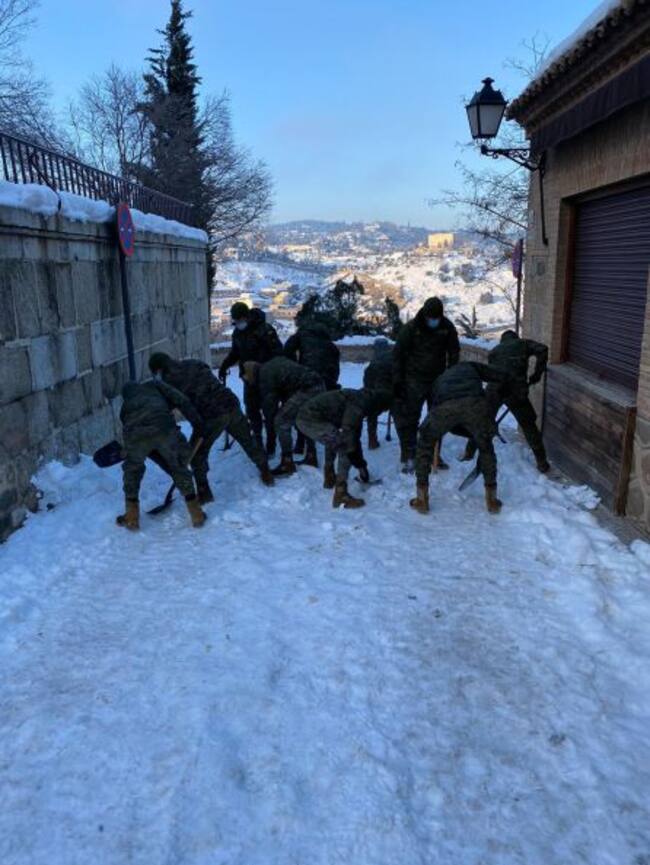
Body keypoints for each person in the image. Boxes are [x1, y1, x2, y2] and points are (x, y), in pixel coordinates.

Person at [148, 352, 274, 504]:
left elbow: (172, 405)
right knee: (247, 440)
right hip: (230, 404)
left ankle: (204, 491)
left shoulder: (169, 382)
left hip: (211, 416)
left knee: (197, 455)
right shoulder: (193, 362)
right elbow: (206, 371)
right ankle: (266, 471)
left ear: (159, 370)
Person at [409, 361, 512, 517]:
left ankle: (421, 498)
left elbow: (433, 406)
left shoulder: (440, 379)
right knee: (486, 447)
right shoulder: (471, 366)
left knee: (424, 443)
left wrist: (434, 429)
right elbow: (499, 376)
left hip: (444, 409)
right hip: (475, 405)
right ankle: (491, 500)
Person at [117, 380, 207, 531]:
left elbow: (130, 429)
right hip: (163, 427)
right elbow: (181, 400)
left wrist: (134, 452)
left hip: (135, 435)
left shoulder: (125, 407)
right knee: (178, 465)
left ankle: (132, 518)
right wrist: (197, 423)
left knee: (132, 471)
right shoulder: (154, 385)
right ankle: (196, 514)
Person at [461, 330, 550, 473]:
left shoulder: (495, 351)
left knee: (481, 421)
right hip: (516, 390)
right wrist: (537, 375)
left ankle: (469, 453)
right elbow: (543, 349)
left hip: (494, 388)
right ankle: (542, 462)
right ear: (516, 338)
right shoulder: (523, 344)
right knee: (528, 425)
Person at [393, 297, 460, 473]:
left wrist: (450, 374)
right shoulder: (411, 329)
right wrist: (398, 380)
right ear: (425, 314)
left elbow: (454, 351)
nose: (433, 321)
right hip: (414, 379)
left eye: (436, 318)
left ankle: (433, 454)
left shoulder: (446, 327)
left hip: (438, 379)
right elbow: (398, 354)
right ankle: (409, 455)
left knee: (437, 418)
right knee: (411, 418)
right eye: (431, 317)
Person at [296, 387, 390, 509]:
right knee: (344, 445)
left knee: (334, 438)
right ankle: (341, 493)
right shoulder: (359, 404)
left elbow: (356, 436)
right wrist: (357, 462)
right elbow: (349, 435)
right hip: (309, 420)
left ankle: (329, 476)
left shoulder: (361, 399)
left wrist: (361, 465)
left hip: (310, 418)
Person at [242, 357, 325, 476]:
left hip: (308, 389)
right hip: (318, 384)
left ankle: (287, 462)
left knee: (281, 421)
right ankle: (311, 456)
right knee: (302, 419)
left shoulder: (265, 376)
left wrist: (270, 423)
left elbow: (270, 407)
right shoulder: (271, 365)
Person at [218, 302, 283, 454]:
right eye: (236, 321)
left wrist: (265, 368)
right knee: (252, 409)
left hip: (267, 378)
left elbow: (278, 352)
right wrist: (224, 365)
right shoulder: (238, 333)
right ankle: (258, 440)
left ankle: (271, 442)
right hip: (249, 378)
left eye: (240, 320)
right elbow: (235, 353)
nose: (238, 324)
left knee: (269, 411)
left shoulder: (265, 330)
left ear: (247, 317)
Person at [284, 321, 340, 390]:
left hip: (306, 378)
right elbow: (335, 370)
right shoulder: (332, 346)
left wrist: (294, 367)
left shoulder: (301, 335)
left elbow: (288, 350)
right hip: (326, 384)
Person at [363, 337, 393, 449]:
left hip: (376, 396)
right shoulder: (392, 361)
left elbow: (367, 387)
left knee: (372, 412)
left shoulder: (371, 366)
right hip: (391, 396)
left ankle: (372, 439)